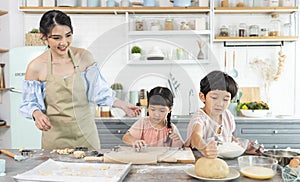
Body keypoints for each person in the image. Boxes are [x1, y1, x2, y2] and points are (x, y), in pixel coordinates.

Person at [19, 10, 140, 150]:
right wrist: (37, 113)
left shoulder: (84, 57)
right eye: (56, 38)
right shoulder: (36, 67)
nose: (64, 42)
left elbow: (99, 91)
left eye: (68, 36)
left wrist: (121, 104)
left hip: (86, 136)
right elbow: (29, 102)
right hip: (55, 138)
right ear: (44, 37)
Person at [185, 70, 259, 158]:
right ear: (202, 97)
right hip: (200, 161)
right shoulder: (200, 117)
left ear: (231, 100)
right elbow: (195, 137)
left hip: (222, 161)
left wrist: (243, 147)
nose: (220, 103)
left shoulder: (227, 116)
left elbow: (228, 137)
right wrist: (204, 148)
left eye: (225, 99)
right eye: (214, 97)